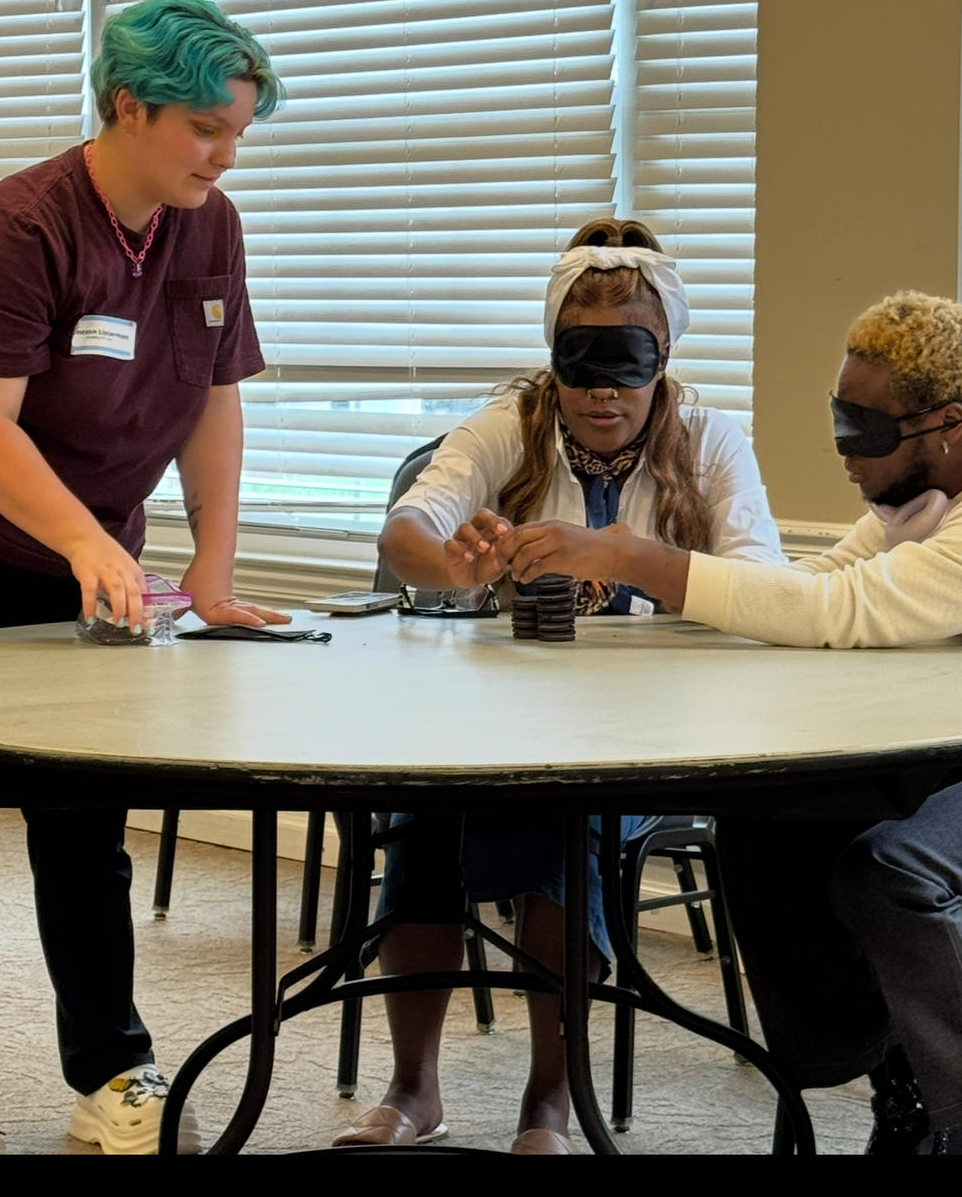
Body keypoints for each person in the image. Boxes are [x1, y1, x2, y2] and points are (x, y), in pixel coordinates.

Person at [332, 218, 785, 1153]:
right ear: (552, 357)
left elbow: (764, 587)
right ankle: (414, 1088)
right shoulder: (512, 425)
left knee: (559, 831)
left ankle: (550, 1098)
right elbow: (406, 531)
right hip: (499, 718)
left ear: (665, 359)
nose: (602, 392)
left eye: (628, 366)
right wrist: (455, 565)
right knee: (424, 823)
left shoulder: (710, 441)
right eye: (580, 364)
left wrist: (624, 556)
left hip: (650, 729)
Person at [502, 288, 962, 1154]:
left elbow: (839, 609)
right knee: (767, 819)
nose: (842, 448)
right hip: (942, 750)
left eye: (864, 428)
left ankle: (951, 1113)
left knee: (891, 872)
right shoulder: (914, 509)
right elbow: (812, 584)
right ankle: (880, 1063)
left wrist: (638, 559)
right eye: (838, 418)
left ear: (947, 425)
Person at [0, 0, 290, 1154]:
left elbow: (213, 397)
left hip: (90, 561)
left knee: (82, 834)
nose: (225, 153)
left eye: (238, 131)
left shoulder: (209, 225)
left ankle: (113, 1076)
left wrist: (210, 565)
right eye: (205, 127)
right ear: (127, 106)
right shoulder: (15, 229)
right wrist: (83, 540)